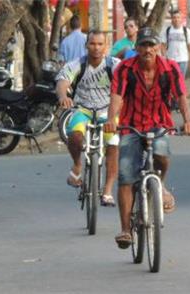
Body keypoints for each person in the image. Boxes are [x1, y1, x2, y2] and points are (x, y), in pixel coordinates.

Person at [104, 27, 190, 249]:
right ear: (137, 48)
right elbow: (116, 96)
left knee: (162, 155)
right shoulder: (125, 69)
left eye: (152, 45)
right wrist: (110, 119)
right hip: (130, 125)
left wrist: (188, 120)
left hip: (159, 123)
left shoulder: (171, 69)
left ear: (159, 47)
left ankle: (160, 186)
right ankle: (126, 230)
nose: (148, 49)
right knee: (126, 175)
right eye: (143, 45)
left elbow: (182, 96)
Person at [56, 30, 121, 207]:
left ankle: (107, 190)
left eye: (100, 44)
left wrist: (114, 115)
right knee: (75, 134)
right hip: (82, 109)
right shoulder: (77, 64)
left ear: (106, 46)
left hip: (107, 112)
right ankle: (77, 165)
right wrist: (63, 96)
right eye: (92, 44)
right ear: (86, 46)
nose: (96, 48)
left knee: (113, 144)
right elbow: (62, 81)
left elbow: (123, 88)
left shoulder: (115, 65)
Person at [160, 9, 190, 77]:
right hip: (170, 59)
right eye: (174, 17)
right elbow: (163, 45)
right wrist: (164, 56)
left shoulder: (187, 31)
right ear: (171, 19)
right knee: (171, 79)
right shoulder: (167, 30)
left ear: (181, 19)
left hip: (183, 60)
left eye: (178, 17)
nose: (176, 19)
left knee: (180, 80)